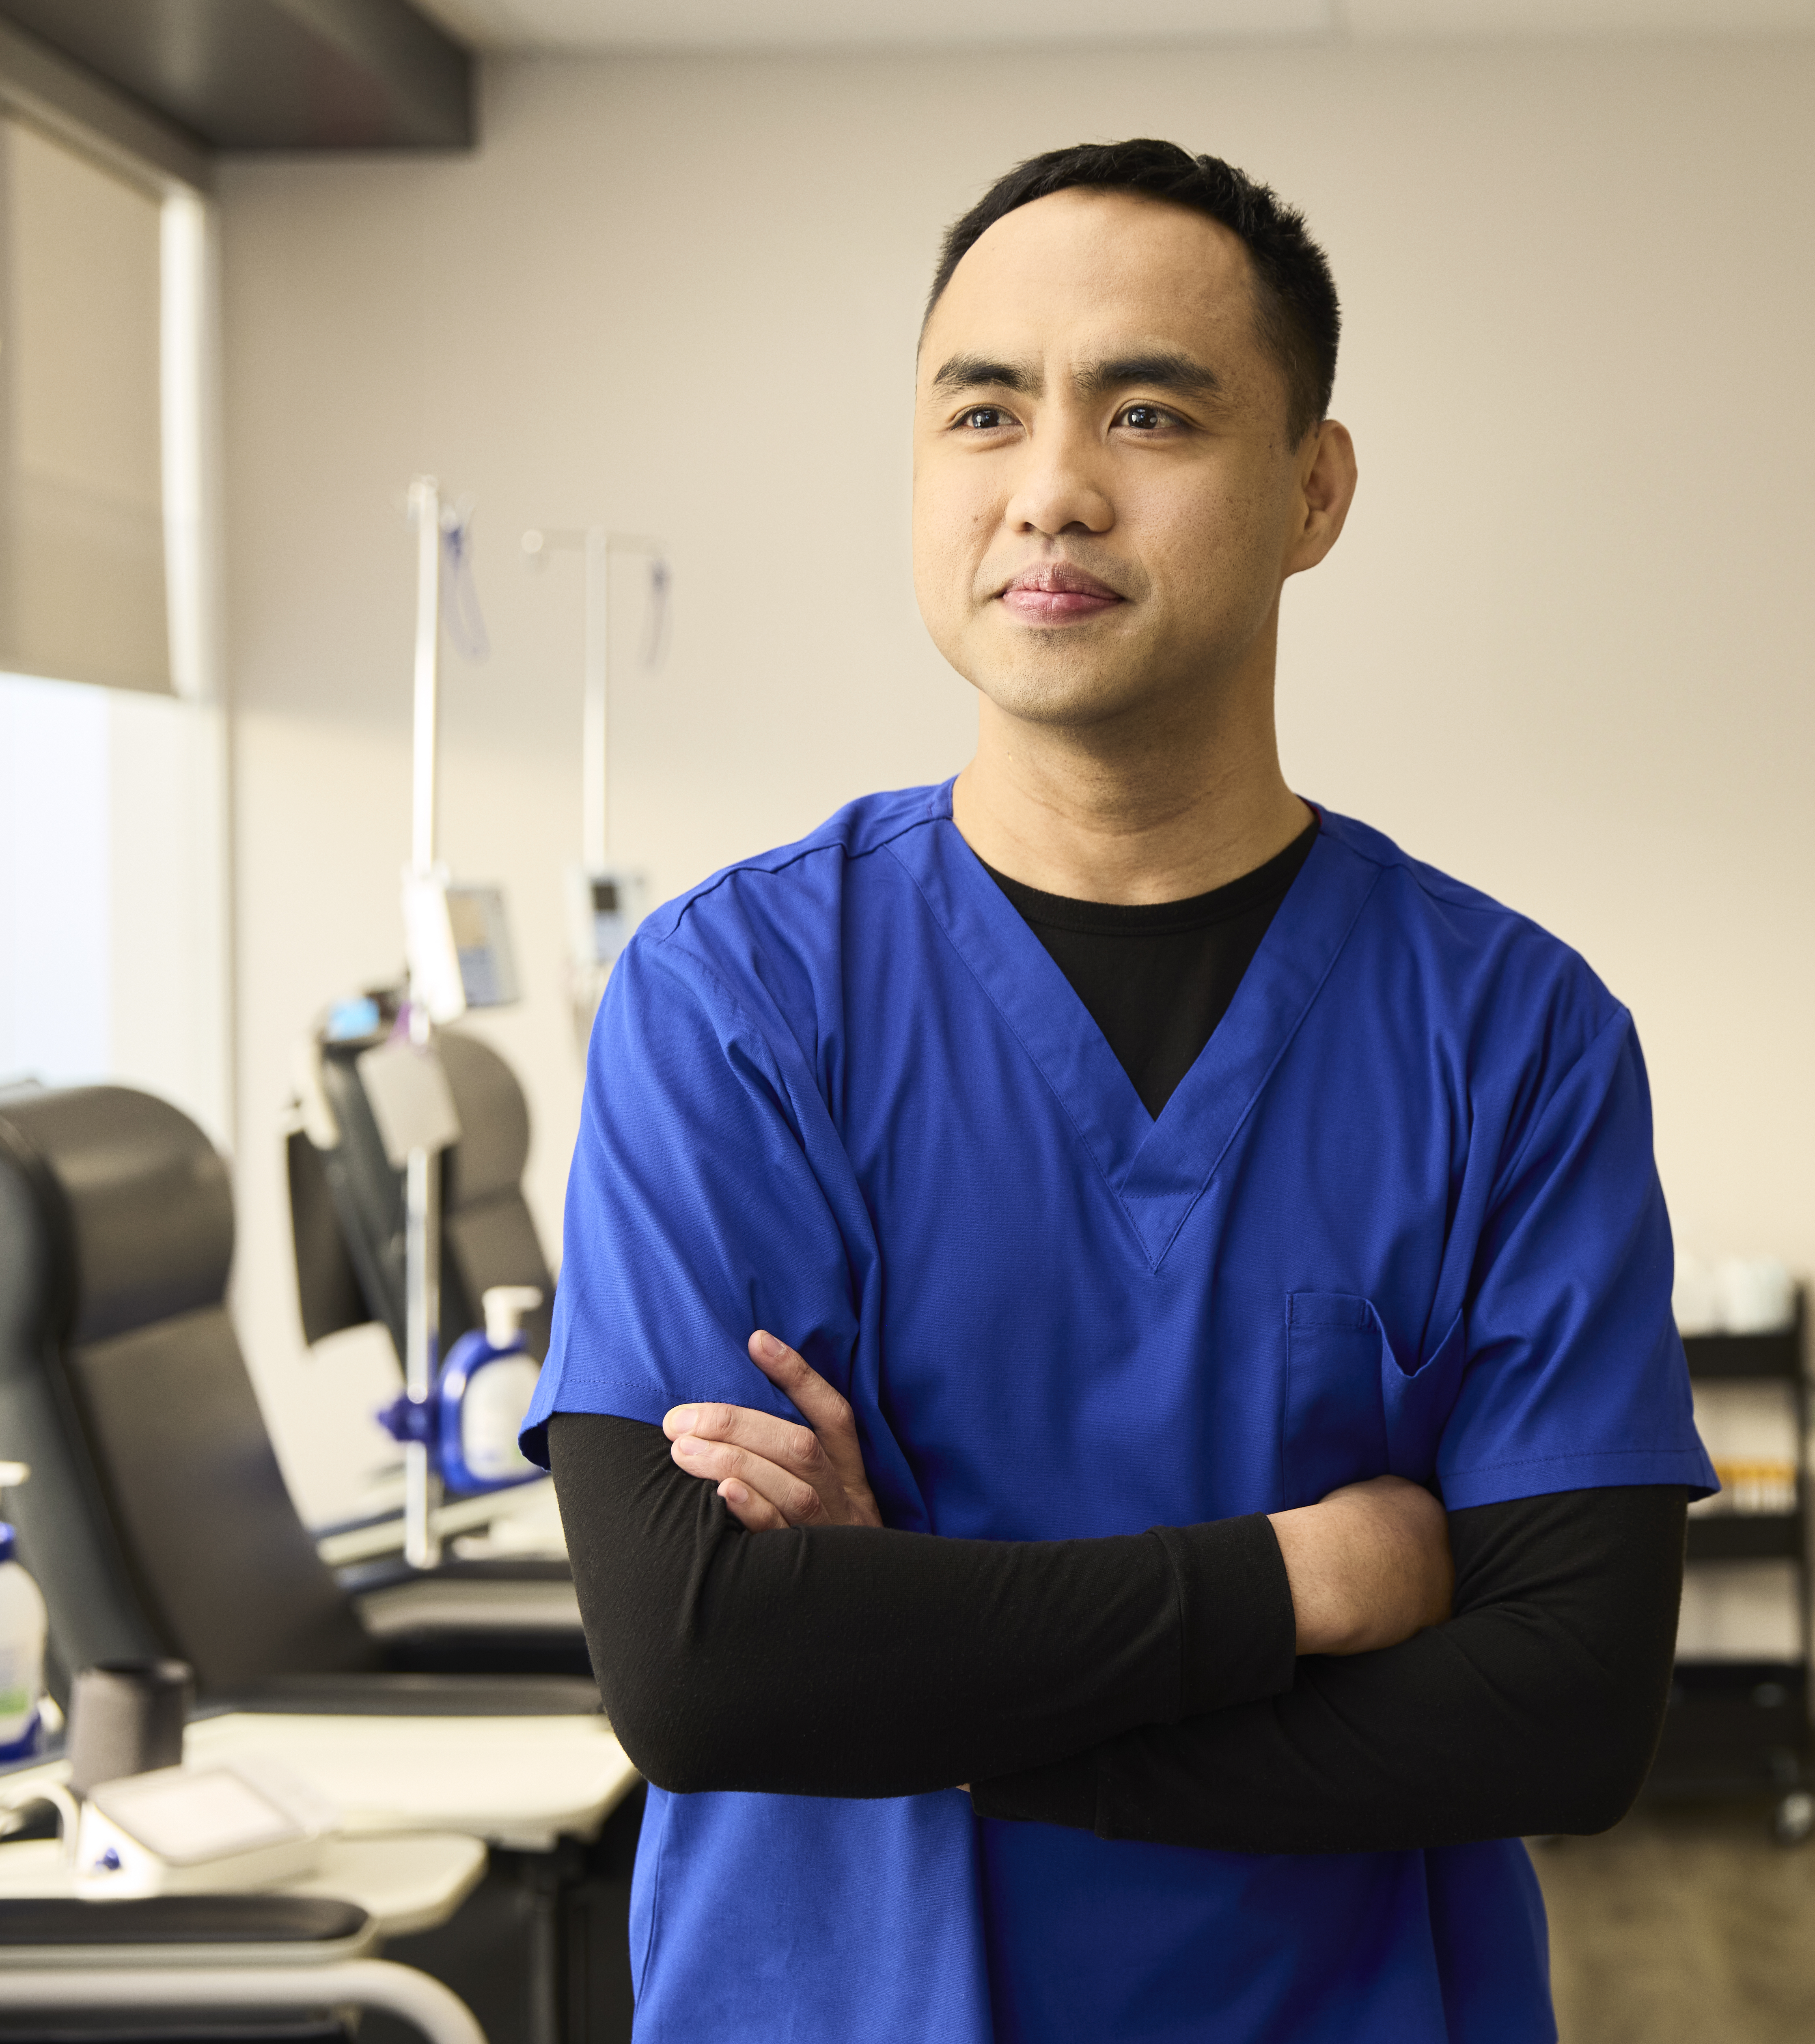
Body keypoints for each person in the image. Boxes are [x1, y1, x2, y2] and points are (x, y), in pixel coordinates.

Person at [524, 138, 1716, 2044]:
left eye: (1148, 411)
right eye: (981, 413)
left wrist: (925, 1671)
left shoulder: (1511, 1031)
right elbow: (702, 1674)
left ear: (1312, 489)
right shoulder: (738, 998)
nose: (1050, 491)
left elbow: (1561, 1712)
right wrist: (1307, 1576)